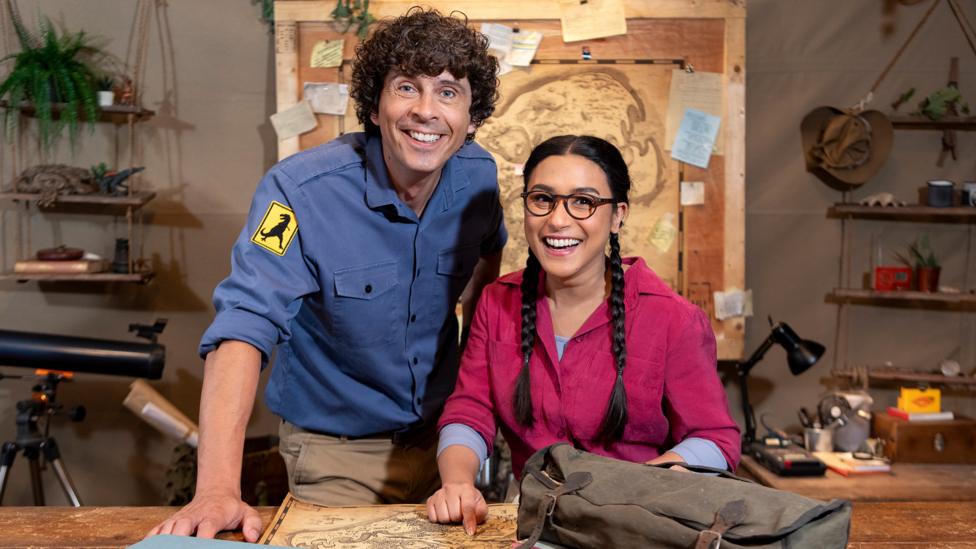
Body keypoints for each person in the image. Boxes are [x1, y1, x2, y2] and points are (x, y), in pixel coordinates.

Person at [148, 8, 504, 541]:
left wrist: (476, 391)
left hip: (447, 447)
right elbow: (245, 323)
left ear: (471, 116)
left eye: (449, 92)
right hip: (335, 454)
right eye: (406, 87)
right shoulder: (295, 194)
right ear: (376, 107)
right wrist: (218, 487)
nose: (427, 111)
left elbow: (487, 263)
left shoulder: (479, 177)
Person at [426, 135, 741, 534]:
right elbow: (469, 412)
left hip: (639, 521)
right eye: (543, 199)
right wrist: (457, 483)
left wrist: (638, 485)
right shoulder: (496, 304)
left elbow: (715, 437)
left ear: (617, 216)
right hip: (534, 522)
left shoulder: (674, 319)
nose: (558, 220)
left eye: (583, 202)